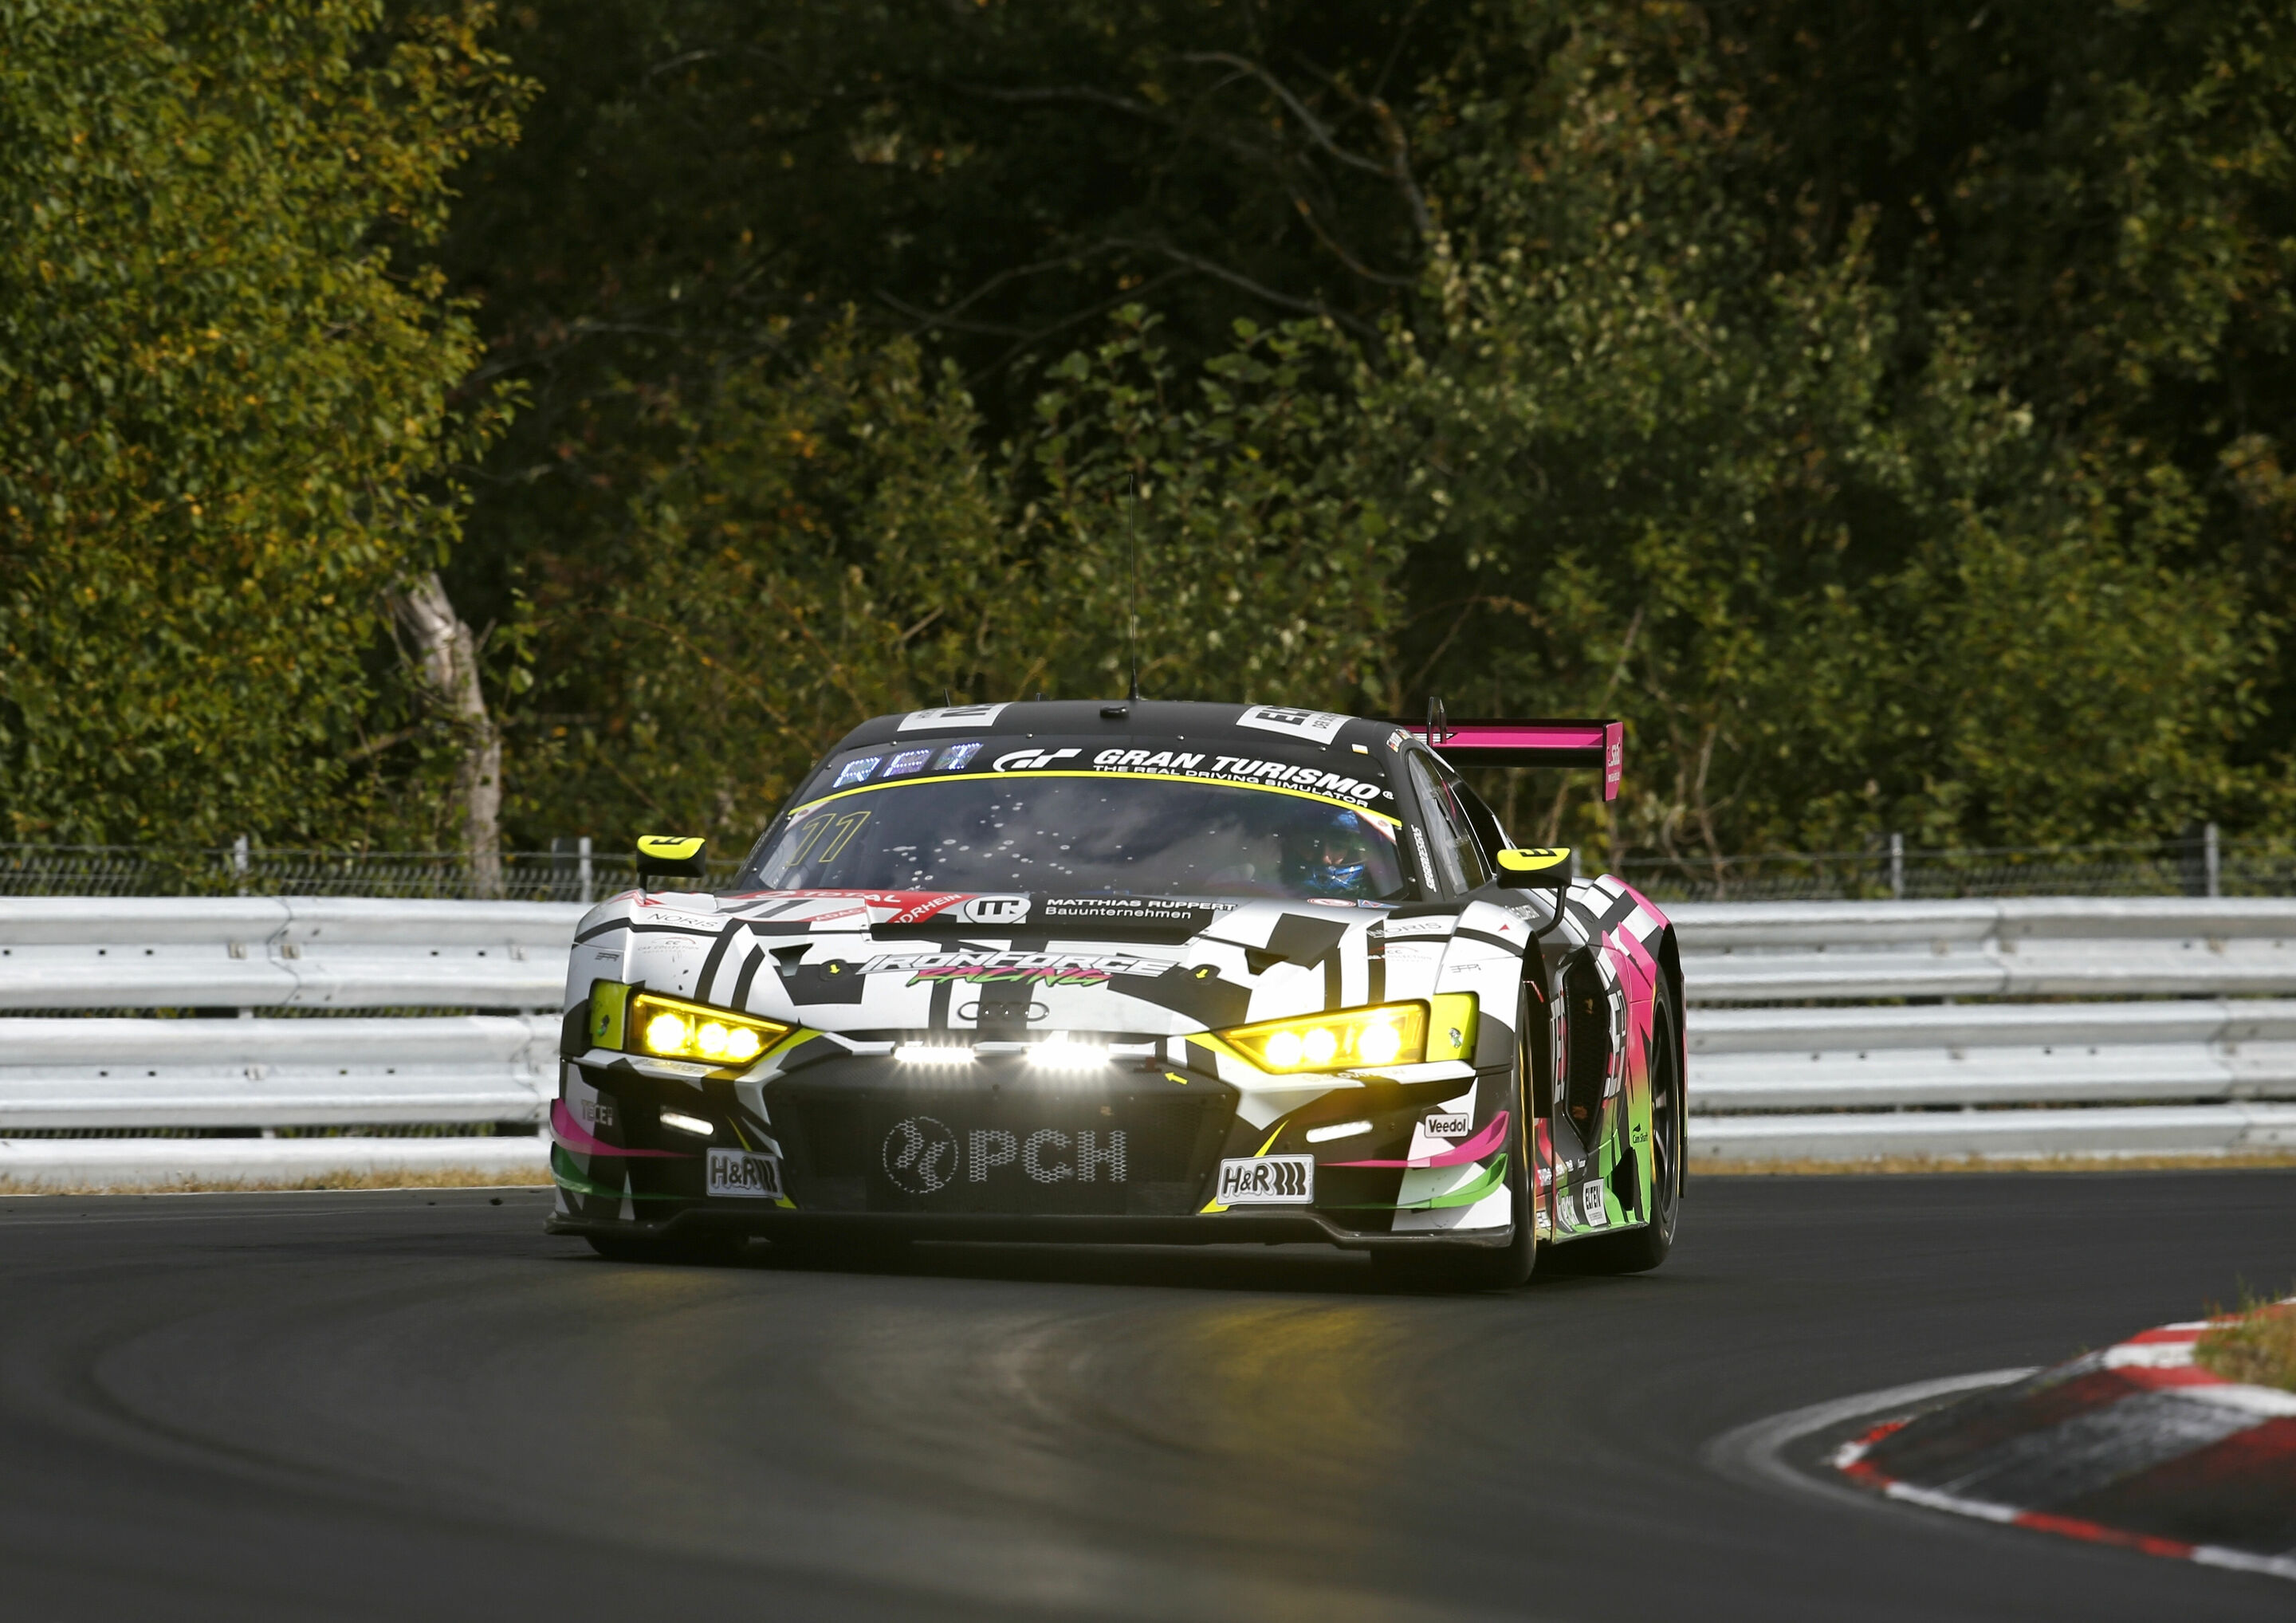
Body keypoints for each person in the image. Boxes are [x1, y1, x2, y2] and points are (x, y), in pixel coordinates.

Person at [1280, 808, 1381, 898]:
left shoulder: (1384, 888)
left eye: (1338, 847)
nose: (1324, 858)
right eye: (1311, 844)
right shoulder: (1269, 893)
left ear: (1353, 852)